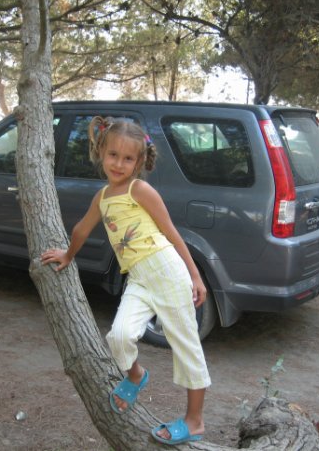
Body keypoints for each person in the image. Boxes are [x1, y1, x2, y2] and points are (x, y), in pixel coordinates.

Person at [40, 116, 211, 445]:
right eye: (113, 155)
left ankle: (195, 420)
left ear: (139, 162)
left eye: (128, 158)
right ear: (101, 153)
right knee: (119, 336)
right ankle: (136, 375)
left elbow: (171, 232)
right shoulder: (103, 197)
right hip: (138, 279)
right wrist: (68, 254)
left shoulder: (139, 190)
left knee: (186, 345)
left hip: (167, 272)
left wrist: (195, 275)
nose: (119, 164)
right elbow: (81, 229)